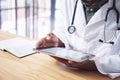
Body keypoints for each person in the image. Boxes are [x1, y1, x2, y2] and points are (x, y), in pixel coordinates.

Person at [36, 0, 120, 79]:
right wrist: (59, 40)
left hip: (103, 76)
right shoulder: (67, 1)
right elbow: (63, 29)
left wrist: (94, 65)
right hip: (68, 73)